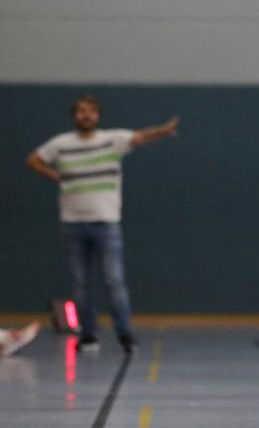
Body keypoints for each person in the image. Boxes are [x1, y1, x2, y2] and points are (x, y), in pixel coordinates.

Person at [26, 95, 179, 354]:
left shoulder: (111, 140)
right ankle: (88, 336)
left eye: (91, 111)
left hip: (106, 223)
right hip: (73, 223)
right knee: (80, 283)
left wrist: (163, 131)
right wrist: (54, 175)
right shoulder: (61, 144)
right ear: (74, 116)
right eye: (81, 111)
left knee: (114, 280)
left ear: (98, 116)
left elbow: (141, 137)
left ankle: (125, 334)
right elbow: (33, 160)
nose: (86, 115)